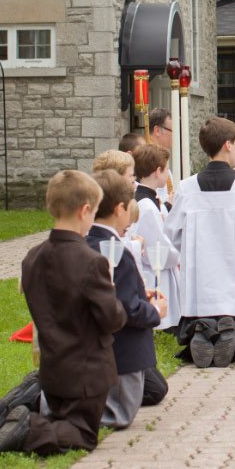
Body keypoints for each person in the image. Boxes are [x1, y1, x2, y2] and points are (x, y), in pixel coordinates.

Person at [0, 170, 126, 458]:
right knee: (83, 434)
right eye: (94, 211)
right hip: (88, 370)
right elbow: (112, 319)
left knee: (62, 420)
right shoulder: (91, 261)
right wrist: (110, 286)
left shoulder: (32, 257)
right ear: (84, 210)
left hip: (52, 366)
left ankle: (5, 422)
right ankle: (27, 428)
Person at [165, 117, 235, 367]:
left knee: (202, 312)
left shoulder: (186, 188)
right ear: (228, 145)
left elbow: (171, 234)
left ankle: (202, 330)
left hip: (200, 283)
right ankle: (234, 336)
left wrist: (189, 256)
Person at [85, 171, 166, 429]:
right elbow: (127, 309)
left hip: (90, 355)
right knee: (119, 414)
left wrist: (141, 295)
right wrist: (155, 310)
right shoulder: (117, 253)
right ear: (120, 209)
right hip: (123, 356)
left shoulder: (85, 245)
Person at [131, 144, 182, 330]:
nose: (168, 174)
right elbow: (159, 249)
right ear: (157, 171)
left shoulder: (147, 200)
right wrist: (179, 252)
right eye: (166, 169)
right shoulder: (147, 206)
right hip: (155, 273)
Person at [148, 107, 175, 205]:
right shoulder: (147, 160)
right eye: (172, 130)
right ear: (157, 130)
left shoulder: (163, 158)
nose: (175, 135)